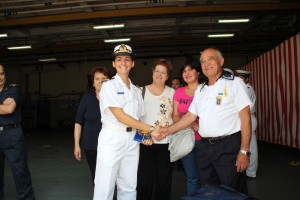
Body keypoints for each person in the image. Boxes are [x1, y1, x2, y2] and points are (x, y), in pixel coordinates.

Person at [155, 47, 252, 193]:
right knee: (209, 189)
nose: (206, 63)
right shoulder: (201, 90)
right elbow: (189, 117)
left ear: (221, 61)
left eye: (210, 59)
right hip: (205, 148)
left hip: (228, 147)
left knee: (232, 190)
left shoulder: (235, 83)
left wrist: (244, 151)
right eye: (203, 61)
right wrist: (167, 131)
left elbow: (246, 119)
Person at [93, 44, 159, 200]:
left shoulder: (136, 91)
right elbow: (121, 117)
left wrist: (145, 136)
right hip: (112, 138)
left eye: (127, 59)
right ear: (114, 64)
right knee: (105, 185)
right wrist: (151, 129)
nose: (123, 63)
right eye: (119, 59)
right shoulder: (108, 86)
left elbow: (139, 118)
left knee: (129, 186)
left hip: (132, 140)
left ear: (133, 63)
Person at [136, 59, 174, 200]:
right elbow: (135, 118)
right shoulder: (141, 91)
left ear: (168, 76)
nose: (159, 74)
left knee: (163, 182)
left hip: (166, 144)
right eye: (157, 71)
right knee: (144, 182)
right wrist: (143, 137)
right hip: (146, 143)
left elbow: (176, 116)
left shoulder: (173, 93)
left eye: (163, 72)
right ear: (152, 73)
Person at [0, 64, 35, 200]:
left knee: (20, 173)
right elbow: (4, 108)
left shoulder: (13, 89)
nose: (0, 77)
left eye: (2, 74)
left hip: (12, 135)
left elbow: (9, 110)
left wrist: (5, 107)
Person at [74, 67, 110, 183]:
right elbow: (78, 123)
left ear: (109, 81)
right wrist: (76, 145)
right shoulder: (87, 98)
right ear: (93, 82)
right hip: (91, 145)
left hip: (110, 145)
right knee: (96, 177)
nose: (100, 81)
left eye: (104, 79)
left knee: (110, 177)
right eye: (97, 79)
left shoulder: (114, 98)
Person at [172, 57, 201, 195]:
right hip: (185, 138)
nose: (187, 73)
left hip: (204, 139)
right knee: (191, 176)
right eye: (184, 70)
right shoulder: (179, 92)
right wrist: (188, 124)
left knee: (206, 175)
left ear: (198, 73)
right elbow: (175, 115)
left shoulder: (205, 90)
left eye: (190, 69)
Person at [236, 69, 258, 178]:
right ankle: (250, 171)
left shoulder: (247, 89)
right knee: (249, 146)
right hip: (246, 119)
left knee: (250, 148)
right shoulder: (245, 88)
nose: (239, 80)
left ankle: (250, 172)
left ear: (247, 79)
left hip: (248, 119)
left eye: (242, 78)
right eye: (238, 78)